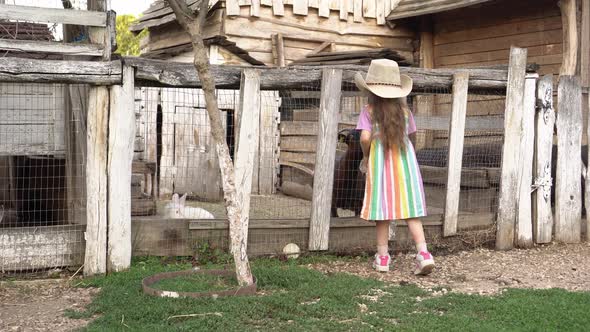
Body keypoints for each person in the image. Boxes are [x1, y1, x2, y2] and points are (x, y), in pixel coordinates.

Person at [354, 59, 434, 275]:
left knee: (382, 212)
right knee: (410, 211)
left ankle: (382, 258)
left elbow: (364, 137)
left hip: (381, 167)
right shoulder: (405, 113)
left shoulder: (368, 111)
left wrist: (367, 154)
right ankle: (424, 254)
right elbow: (412, 136)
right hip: (405, 165)